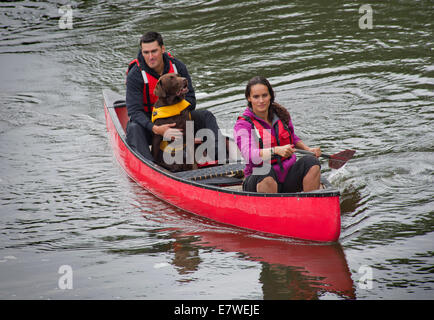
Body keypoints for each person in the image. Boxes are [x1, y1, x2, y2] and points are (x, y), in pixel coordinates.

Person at [126, 31, 223, 161]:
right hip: (151, 126)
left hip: (179, 121)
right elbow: (134, 112)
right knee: (133, 127)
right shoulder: (135, 75)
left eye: (154, 51)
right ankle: (149, 164)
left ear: (163, 49)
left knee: (206, 115)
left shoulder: (178, 67)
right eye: (146, 52)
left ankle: (218, 156)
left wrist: (175, 120)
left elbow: (191, 100)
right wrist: (158, 129)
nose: (150, 57)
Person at [233, 76, 322, 193]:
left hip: (287, 177)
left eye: (264, 95)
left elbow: (291, 137)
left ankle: (311, 205)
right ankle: (270, 208)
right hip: (259, 180)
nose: (261, 101)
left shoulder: (281, 115)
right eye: (256, 97)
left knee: (312, 162)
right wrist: (275, 150)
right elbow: (249, 155)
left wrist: (307, 149)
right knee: (266, 171)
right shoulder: (243, 125)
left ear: (270, 96)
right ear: (249, 98)